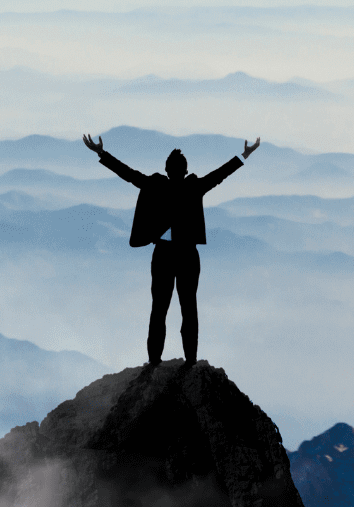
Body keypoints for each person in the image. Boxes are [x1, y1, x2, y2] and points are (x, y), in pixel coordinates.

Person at [83, 132, 260, 365]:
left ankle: (154, 361)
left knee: (159, 309)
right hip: (187, 255)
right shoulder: (194, 187)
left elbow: (128, 174)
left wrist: (101, 153)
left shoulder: (156, 186)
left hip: (164, 255)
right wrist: (244, 155)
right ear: (185, 171)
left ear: (166, 170)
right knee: (189, 308)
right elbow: (220, 175)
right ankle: (190, 361)